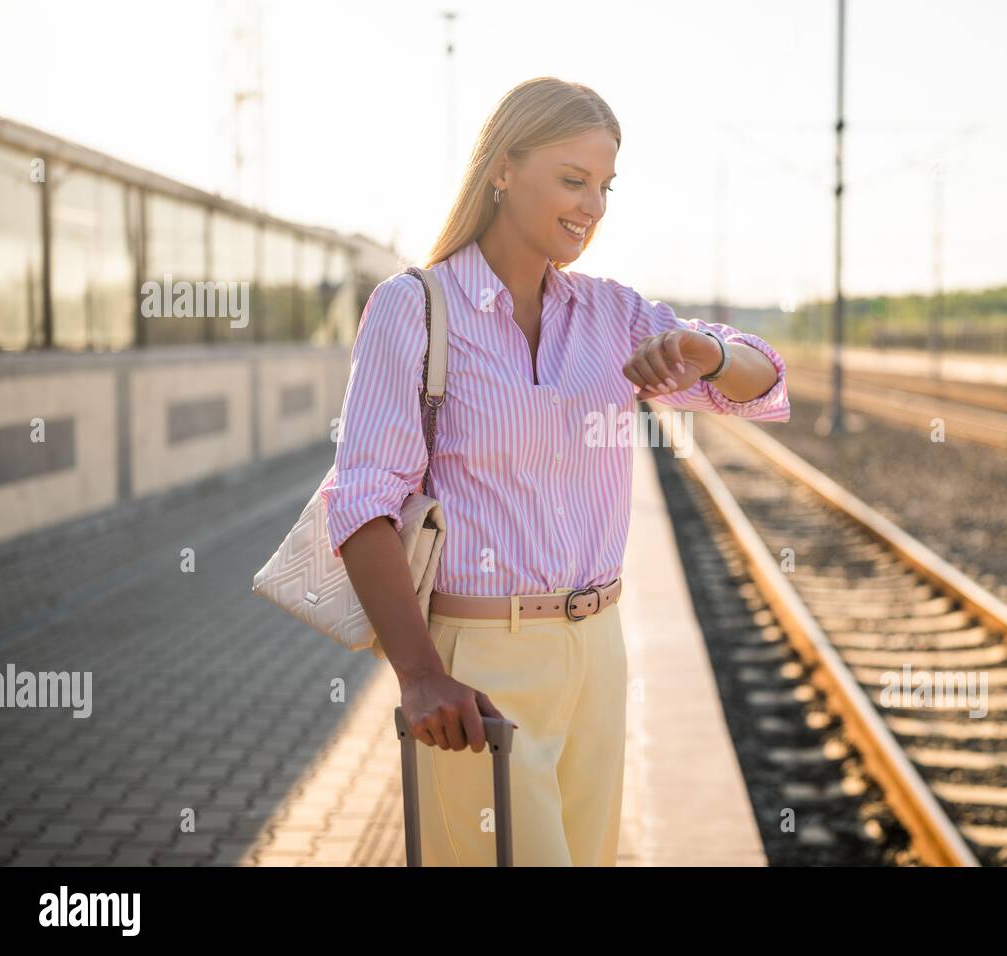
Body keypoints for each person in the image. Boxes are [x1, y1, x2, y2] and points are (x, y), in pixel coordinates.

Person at [322, 76, 790, 866]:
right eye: (574, 181)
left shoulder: (611, 314)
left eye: (605, 187)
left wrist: (704, 351)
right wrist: (420, 674)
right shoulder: (415, 308)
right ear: (503, 168)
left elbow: (764, 381)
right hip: (480, 660)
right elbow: (362, 502)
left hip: (599, 652)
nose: (593, 207)